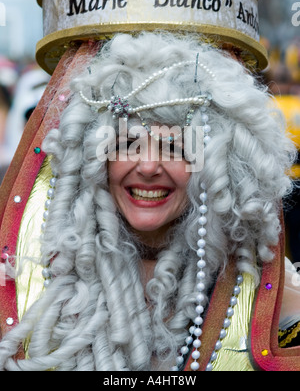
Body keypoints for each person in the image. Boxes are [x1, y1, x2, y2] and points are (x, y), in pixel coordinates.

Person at [0, 31, 299, 371]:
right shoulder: (24, 272)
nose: (147, 166)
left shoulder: (273, 296)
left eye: (174, 148)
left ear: (218, 165)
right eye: (128, 143)